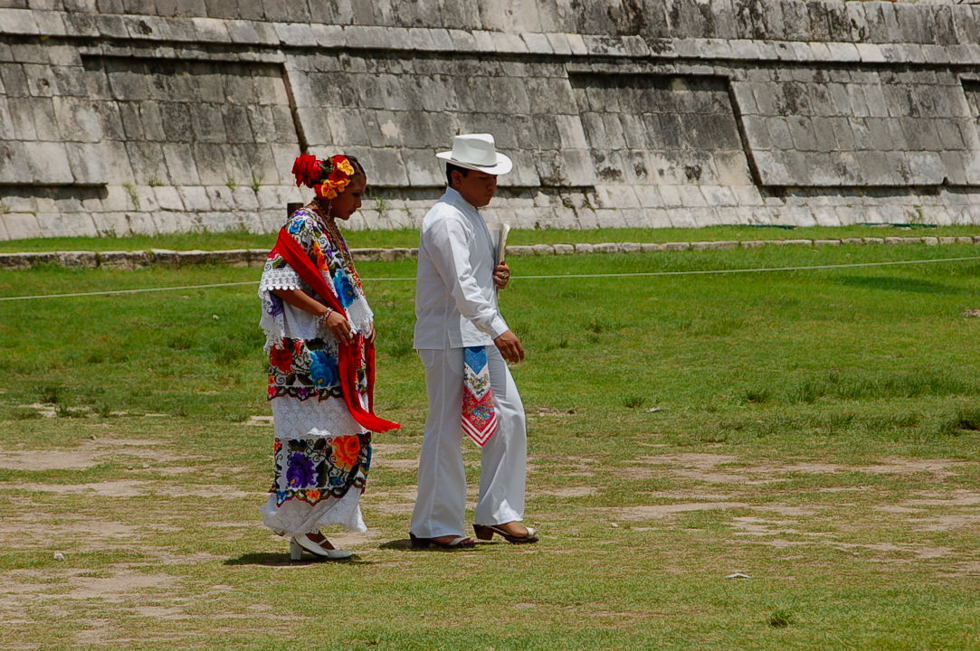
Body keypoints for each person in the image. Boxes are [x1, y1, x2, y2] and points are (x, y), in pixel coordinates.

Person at [258, 152, 399, 560]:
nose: (359, 202)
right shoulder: (304, 225)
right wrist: (326, 313)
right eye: (355, 193)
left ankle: (308, 526)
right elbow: (276, 280)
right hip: (308, 360)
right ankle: (304, 526)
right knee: (313, 440)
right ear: (333, 190)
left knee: (339, 438)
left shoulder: (326, 227)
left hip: (329, 355)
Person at [409, 133, 538, 549]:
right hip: (450, 336)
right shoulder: (446, 219)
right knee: (445, 428)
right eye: (484, 177)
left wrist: (496, 278)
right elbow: (461, 288)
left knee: (510, 416)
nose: (492, 185)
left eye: (494, 177)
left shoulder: (469, 213)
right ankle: (433, 523)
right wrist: (498, 327)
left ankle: (498, 512)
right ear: (458, 176)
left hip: (476, 334)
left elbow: (473, 279)